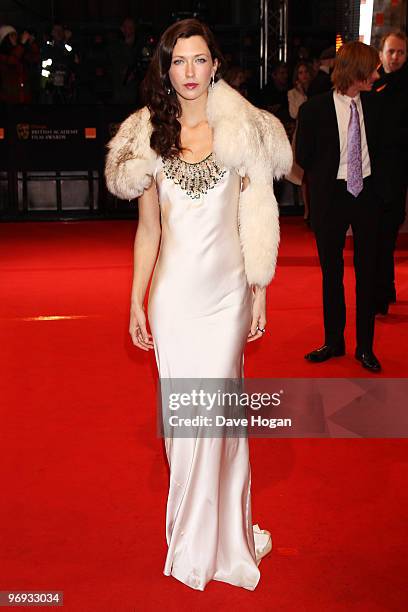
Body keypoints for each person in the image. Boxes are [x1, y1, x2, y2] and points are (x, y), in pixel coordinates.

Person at [105, 18, 292, 591]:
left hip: (227, 295)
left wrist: (259, 285)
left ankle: (215, 542)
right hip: (174, 299)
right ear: (165, 69)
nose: (189, 72)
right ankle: (199, 537)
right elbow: (148, 231)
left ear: (216, 64)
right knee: (186, 427)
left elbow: (255, 214)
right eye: (178, 61)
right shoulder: (146, 137)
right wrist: (137, 299)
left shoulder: (243, 130)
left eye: (199, 59)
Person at [296, 41, 382, 372]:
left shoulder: (377, 106)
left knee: (367, 273)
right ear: (356, 72)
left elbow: (387, 149)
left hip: (368, 194)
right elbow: (303, 156)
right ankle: (334, 341)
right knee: (331, 274)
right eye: (372, 69)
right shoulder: (313, 110)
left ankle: (365, 347)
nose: (377, 74)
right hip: (331, 196)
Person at [372, 31, 408, 314]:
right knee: (374, 237)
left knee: (386, 235)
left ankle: (383, 293)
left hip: (396, 174)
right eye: (391, 52)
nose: (395, 57)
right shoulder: (369, 83)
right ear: (381, 53)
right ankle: (383, 291)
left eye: (401, 52)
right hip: (370, 174)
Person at [0, 25, 40, 104]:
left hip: (23, 96)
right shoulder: (2, 55)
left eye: (15, 34)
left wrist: (31, 43)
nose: (15, 37)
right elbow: (12, 61)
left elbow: (34, 58)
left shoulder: (20, 51)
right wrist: (22, 44)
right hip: (8, 98)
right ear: (5, 39)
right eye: (12, 35)